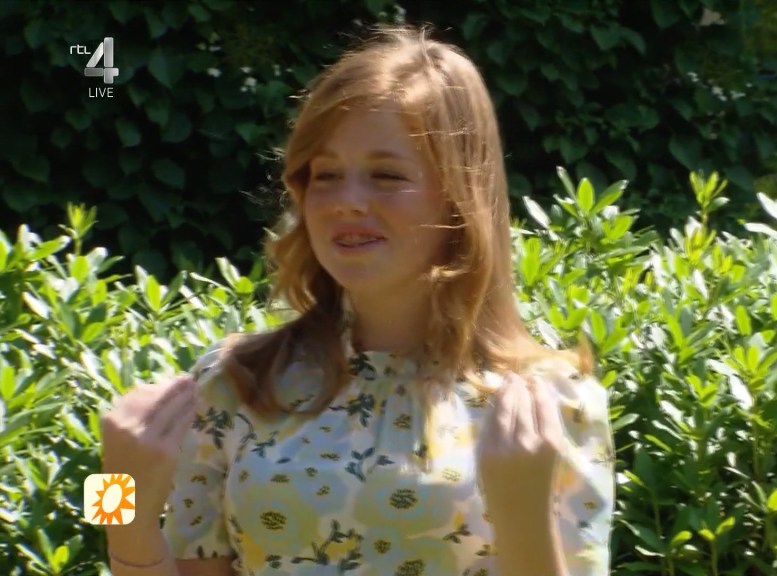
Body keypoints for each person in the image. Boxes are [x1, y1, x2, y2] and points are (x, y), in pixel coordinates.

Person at [99, 25, 615, 576]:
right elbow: (132, 546)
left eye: (385, 175)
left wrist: (522, 516)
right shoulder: (233, 380)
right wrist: (112, 498)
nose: (345, 201)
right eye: (325, 175)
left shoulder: (552, 405)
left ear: (460, 196)